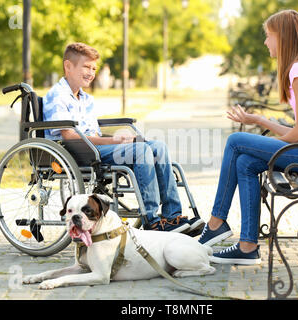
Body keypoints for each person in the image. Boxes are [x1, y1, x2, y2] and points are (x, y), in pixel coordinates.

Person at [198, 10, 298, 265]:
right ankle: (247, 246)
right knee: (244, 162)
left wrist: (267, 142)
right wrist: (259, 121)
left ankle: (216, 223)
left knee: (235, 142)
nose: (266, 42)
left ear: (284, 38)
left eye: (269, 36)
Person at [43, 42, 204, 234]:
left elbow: (94, 134)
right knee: (141, 151)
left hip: (92, 148)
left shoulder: (86, 98)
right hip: (75, 151)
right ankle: (151, 220)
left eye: (94, 68)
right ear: (68, 66)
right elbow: (70, 137)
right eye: (86, 67)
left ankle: (172, 216)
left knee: (158, 147)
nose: (91, 72)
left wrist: (122, 140)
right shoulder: (57, 95)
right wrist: (114, 141)